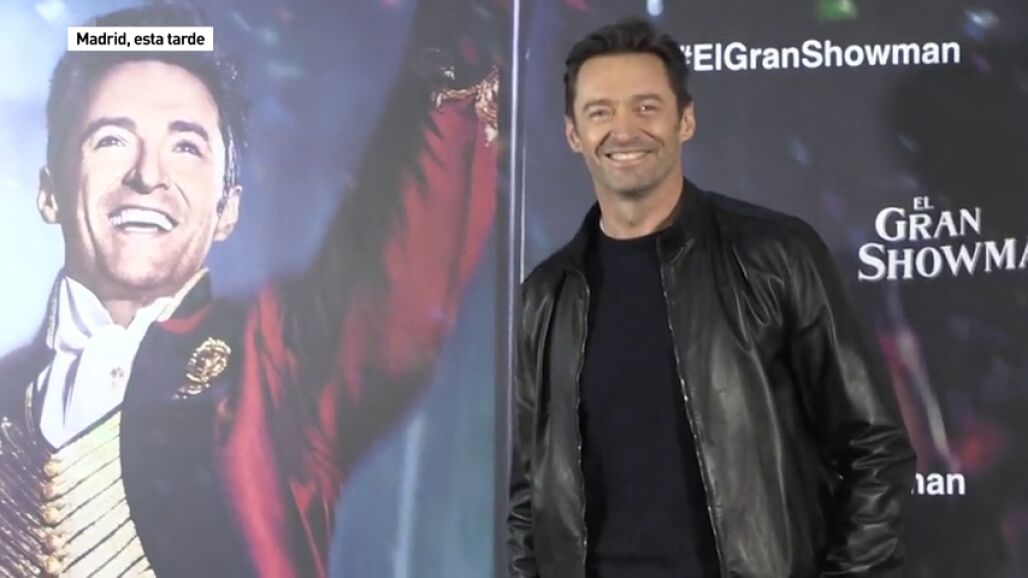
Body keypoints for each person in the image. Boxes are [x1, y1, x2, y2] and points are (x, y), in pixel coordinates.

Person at [0, 4, 498, 577]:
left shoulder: (274, 363)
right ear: (49, 192)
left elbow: (400, 285)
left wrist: (457, 48)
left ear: (228, 209)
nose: (148, 175)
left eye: (186, 147)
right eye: (111, 139)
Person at [508, 18, 916, 578]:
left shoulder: (776, 256)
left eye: (646, 107)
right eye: (600, 111)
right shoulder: (547, 295)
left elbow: (876, 448)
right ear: (573, 133)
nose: (624, 130)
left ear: (686, 120)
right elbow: (530, 495)